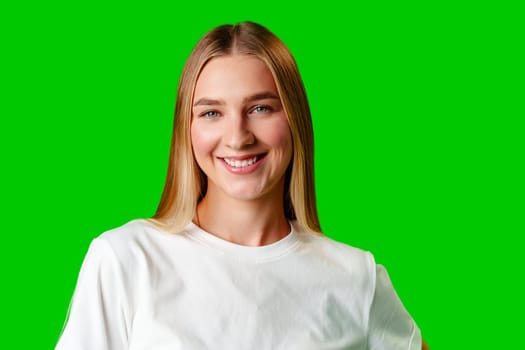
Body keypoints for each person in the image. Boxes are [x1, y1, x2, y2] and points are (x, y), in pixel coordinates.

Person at [56, 21, 429, 350]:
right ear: (187, 129)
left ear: (294, 119)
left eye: (261, 108)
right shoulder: (126, 260)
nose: (237, 137)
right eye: (211, 113)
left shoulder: (355, 277)